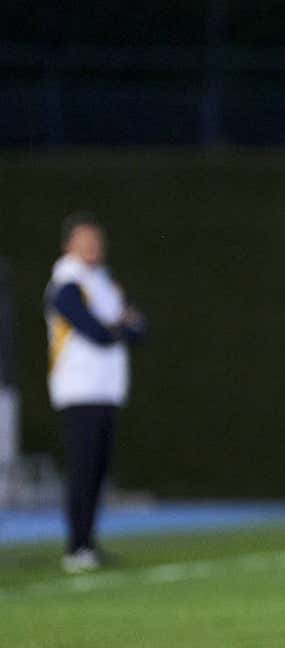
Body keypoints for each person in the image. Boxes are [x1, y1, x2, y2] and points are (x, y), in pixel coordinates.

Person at [44, 212, 146, 573]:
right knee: (82, 470)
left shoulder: (104, 282)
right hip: (79, 389)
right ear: (68, 244)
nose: (92, 246)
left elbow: (139, 329)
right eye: (84, 239)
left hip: (106, 390)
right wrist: (120, 325)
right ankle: (75, 547)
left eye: (96, 240)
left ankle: (89, 542)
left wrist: (118, 326)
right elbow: (97, 332)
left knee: (100, 471)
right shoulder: (67, 284)